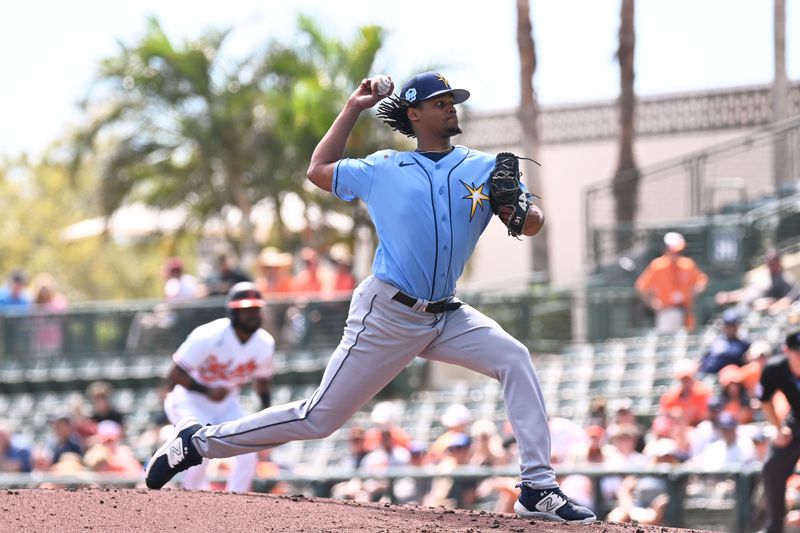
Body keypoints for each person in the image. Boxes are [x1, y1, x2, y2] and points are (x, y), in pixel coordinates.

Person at [145, 71, 595, 523]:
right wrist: (353, 108)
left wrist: (519, 210)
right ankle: (197, 442)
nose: (451, 106)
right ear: (414, 114)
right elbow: (317, 170)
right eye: (440, 102)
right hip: (388, 313)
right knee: (318, 419)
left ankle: (537, 486)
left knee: (514, 357)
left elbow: (533, 222)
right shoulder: (384, 167)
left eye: (452, 100)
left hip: (446, 315)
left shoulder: (483, 166)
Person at [160, 281, 274, 492]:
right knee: (199, 449)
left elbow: (263, 382)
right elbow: (174, 374)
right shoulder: (208, 335)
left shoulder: (265, 344)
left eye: (256, 309)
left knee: (248, 449)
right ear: (233, 312)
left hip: (227, 403)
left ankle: (236, 502)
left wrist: (267, 416)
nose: (252, 314)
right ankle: (189, 499)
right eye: (246, 310)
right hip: (189, 401)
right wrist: (206, 390)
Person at [758, 329, 800, 533]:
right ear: (787, 351)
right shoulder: (775, 369)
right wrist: (778, 428)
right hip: (796, 421)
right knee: (772, 466)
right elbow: (765, 400)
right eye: (798, 352)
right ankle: (774, 527)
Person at [634, 232, 708, 333]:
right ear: (667, 250)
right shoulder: (658, 266)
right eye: (674, 251)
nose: (676, 254)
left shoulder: (687, 264)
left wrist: (694, 292)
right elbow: (641, 287)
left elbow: (702, 280)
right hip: (666, 312)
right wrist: (652, 303)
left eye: (679, 252)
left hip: (685, 311)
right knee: (667, 342)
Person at [715, 248, 800, 315]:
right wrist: (729, 296)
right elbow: (747, 292)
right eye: (769, 262)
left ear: (779, 262)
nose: (771, 265)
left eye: (773, 262)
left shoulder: (785, 279)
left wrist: (770, 304)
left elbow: (788, 300)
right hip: (743, 310)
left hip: (762, 317)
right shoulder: (761, 276)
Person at [698, 309, 751, 375]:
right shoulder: (715, 342)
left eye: (733, 325)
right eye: (728, 325)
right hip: (712, 377)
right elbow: (705, 362)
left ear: (737, 326)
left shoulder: (744, 343)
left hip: (732, 380)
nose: (730, 328)